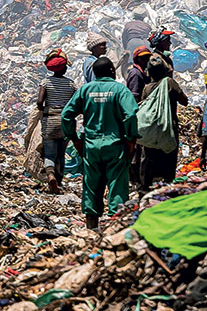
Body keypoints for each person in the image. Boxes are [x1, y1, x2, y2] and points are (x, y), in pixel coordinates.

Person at [61, 56, 138, 230]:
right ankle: (115, 230)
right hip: (115, 145)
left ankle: (91, 229)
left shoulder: (85, 90)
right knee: (117, 185)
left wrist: (74, 138)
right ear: (112, 70)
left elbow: (66, 115)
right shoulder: (120, 90)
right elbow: (131, 115)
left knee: (91, 186)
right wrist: (131, 138)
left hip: (91, 146)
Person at [134, 48, 189, 192]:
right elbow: (185, 101)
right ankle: (167, 187)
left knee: (148, 158)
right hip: (168, 128)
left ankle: (145, 188)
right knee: (168, 159)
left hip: (150, 129)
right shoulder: (169, 83)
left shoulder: (146, 88)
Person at [36, 51, 78, 195]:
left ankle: (50, 175)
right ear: (65, 68)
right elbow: (77, 102)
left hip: (50, 121)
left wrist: (43, 110)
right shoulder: (71, 84)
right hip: (65, 123)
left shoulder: (45, 82)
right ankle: (58, 182)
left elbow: (39, 102)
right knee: (61, 153)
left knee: (49, 154)